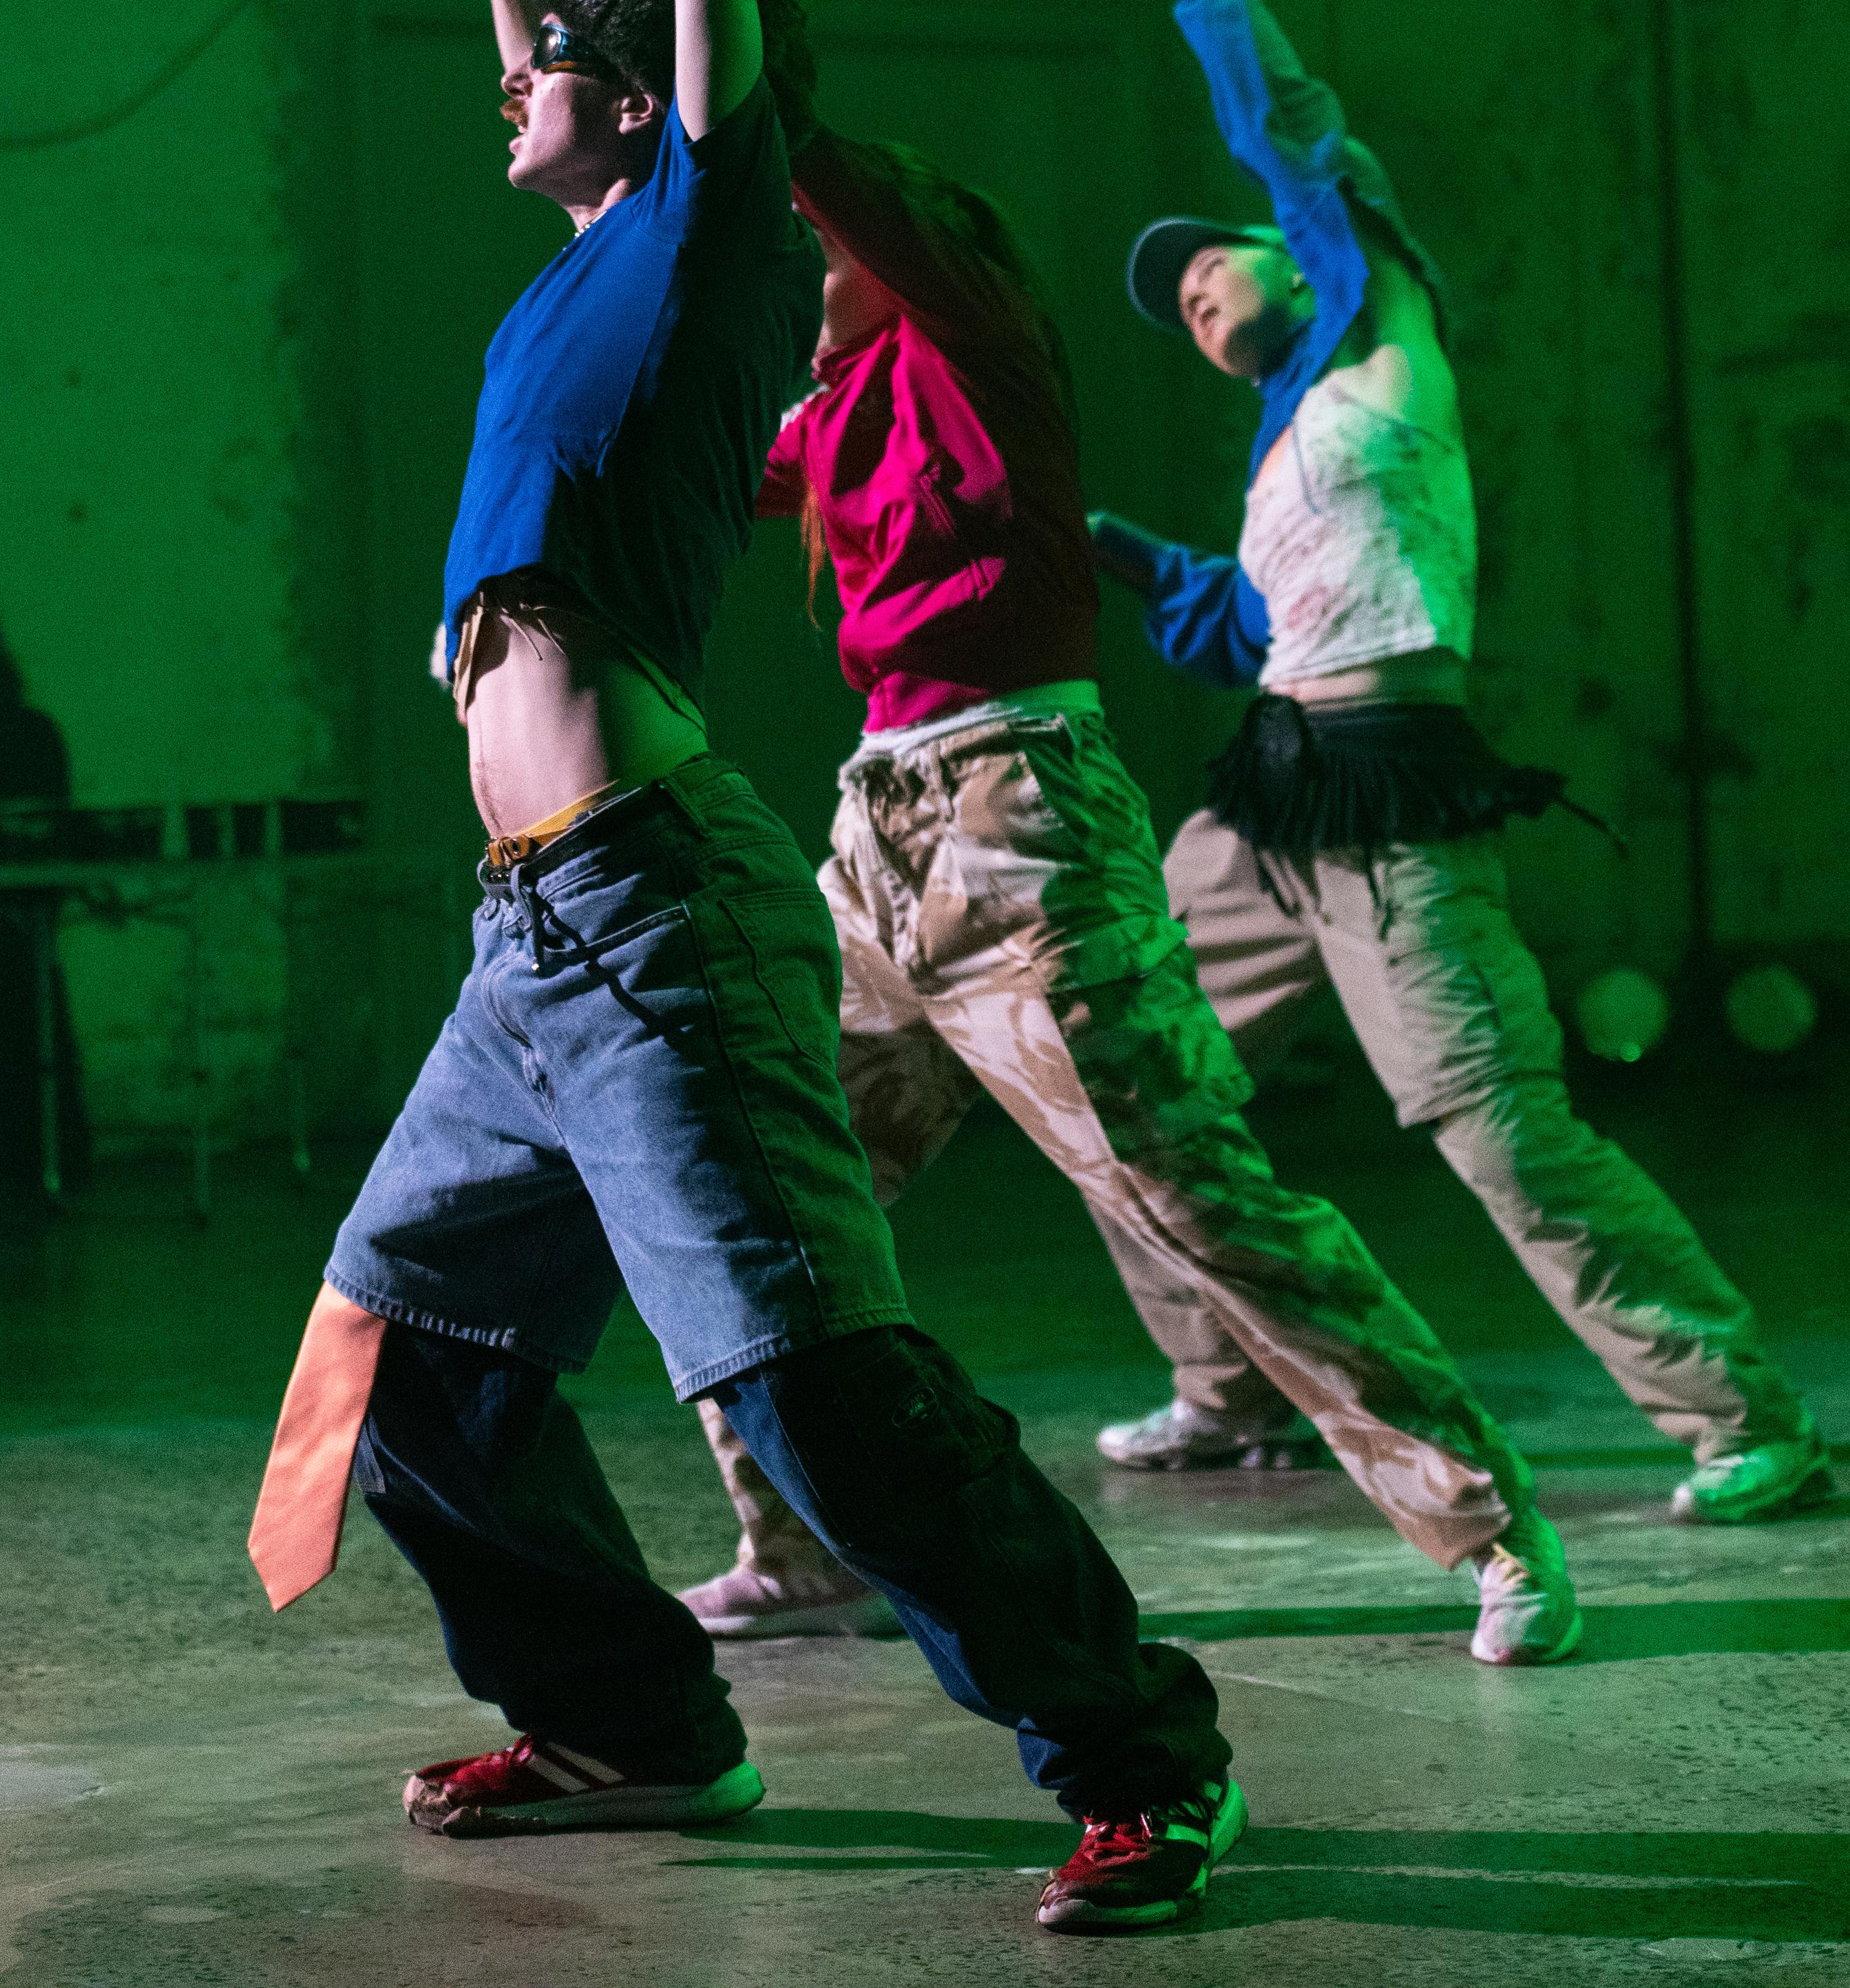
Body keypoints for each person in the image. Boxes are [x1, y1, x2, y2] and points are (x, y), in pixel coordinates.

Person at [242, 0, 1247, 1940]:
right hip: (527, 938)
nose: (508, 85)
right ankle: (634, 1727)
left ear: (643, 92)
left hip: (658, 916)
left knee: (816, 1394)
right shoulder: (586, 262)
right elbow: (563, 66)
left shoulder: (707, 238)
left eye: (547, 58)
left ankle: (1142, 1753)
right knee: (408, 1367)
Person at [665, 109, 1583, 1671]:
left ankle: (1488, 1519)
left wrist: (704, 38)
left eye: (818, 253)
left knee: (1195, 1198)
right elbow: (673, 465)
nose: (798, 274)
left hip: (1019, 824)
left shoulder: (971, 330)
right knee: (750, 1178)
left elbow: (825, 163)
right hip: (877, 838)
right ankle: (802, 1545)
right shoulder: (828, 415)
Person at [1086, 0, 1831, 1529]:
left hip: (1396, 803)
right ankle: (1227, 1388)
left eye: (1211, 262)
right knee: (1121, 1071)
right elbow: (1242, 631)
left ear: (1301, 254)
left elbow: (1296, 135)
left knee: (1497, 1121)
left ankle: (1741, 1410)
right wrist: (1105, 547)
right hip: (1268, 796)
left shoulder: (1382, 330)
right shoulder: (1284, 456)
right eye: (1175, 303)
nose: (1192, 293)